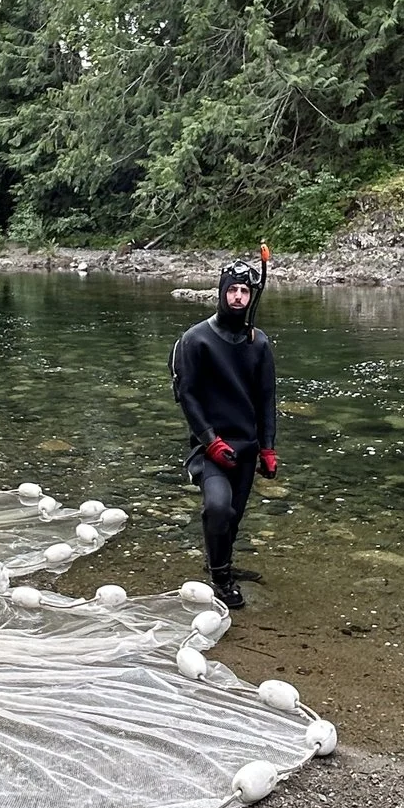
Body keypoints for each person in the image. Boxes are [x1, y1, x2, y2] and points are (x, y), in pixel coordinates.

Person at [170, 255, 279, 610]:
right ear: (220, 292)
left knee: (233, 514)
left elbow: (266, 398)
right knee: (217, 507)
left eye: (244, 291)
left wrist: (267, 448)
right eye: (231, 290)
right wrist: (209, 440)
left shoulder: (258, 343)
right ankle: (221, 580)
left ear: (251, 297)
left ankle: (221, 562)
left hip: (245, 447)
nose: (237, 297)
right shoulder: (195, 340)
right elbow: (187, 396)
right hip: (209, 447)